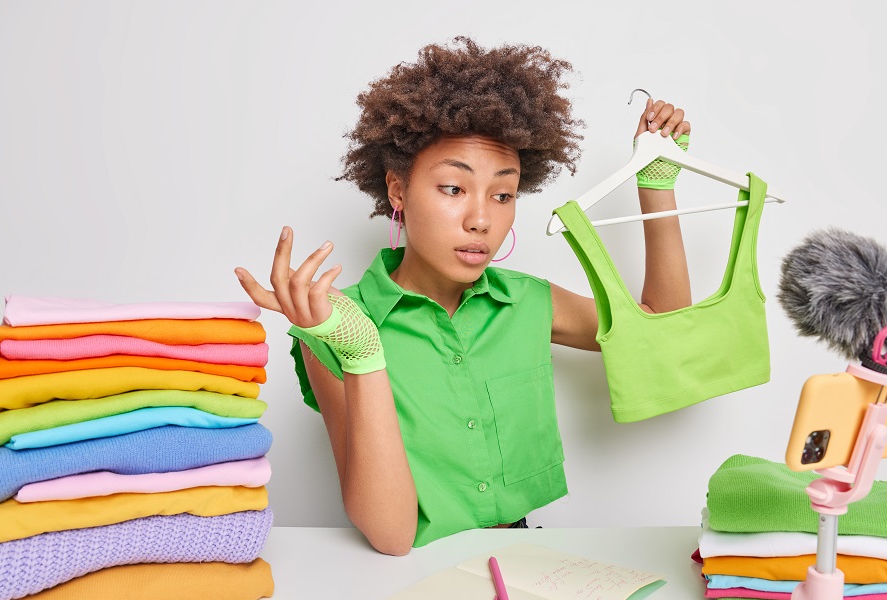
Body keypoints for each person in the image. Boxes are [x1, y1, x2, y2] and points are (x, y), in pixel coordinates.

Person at [235, 37, 692, 556]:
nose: (481, 219)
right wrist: (361, 353)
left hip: (523, 564)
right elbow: (390, 535)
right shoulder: (334, 326)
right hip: (408, 580)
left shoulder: (528, 303)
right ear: (398, 191)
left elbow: (668, 335)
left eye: (503, 195)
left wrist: (656, 187)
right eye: (453, 188)